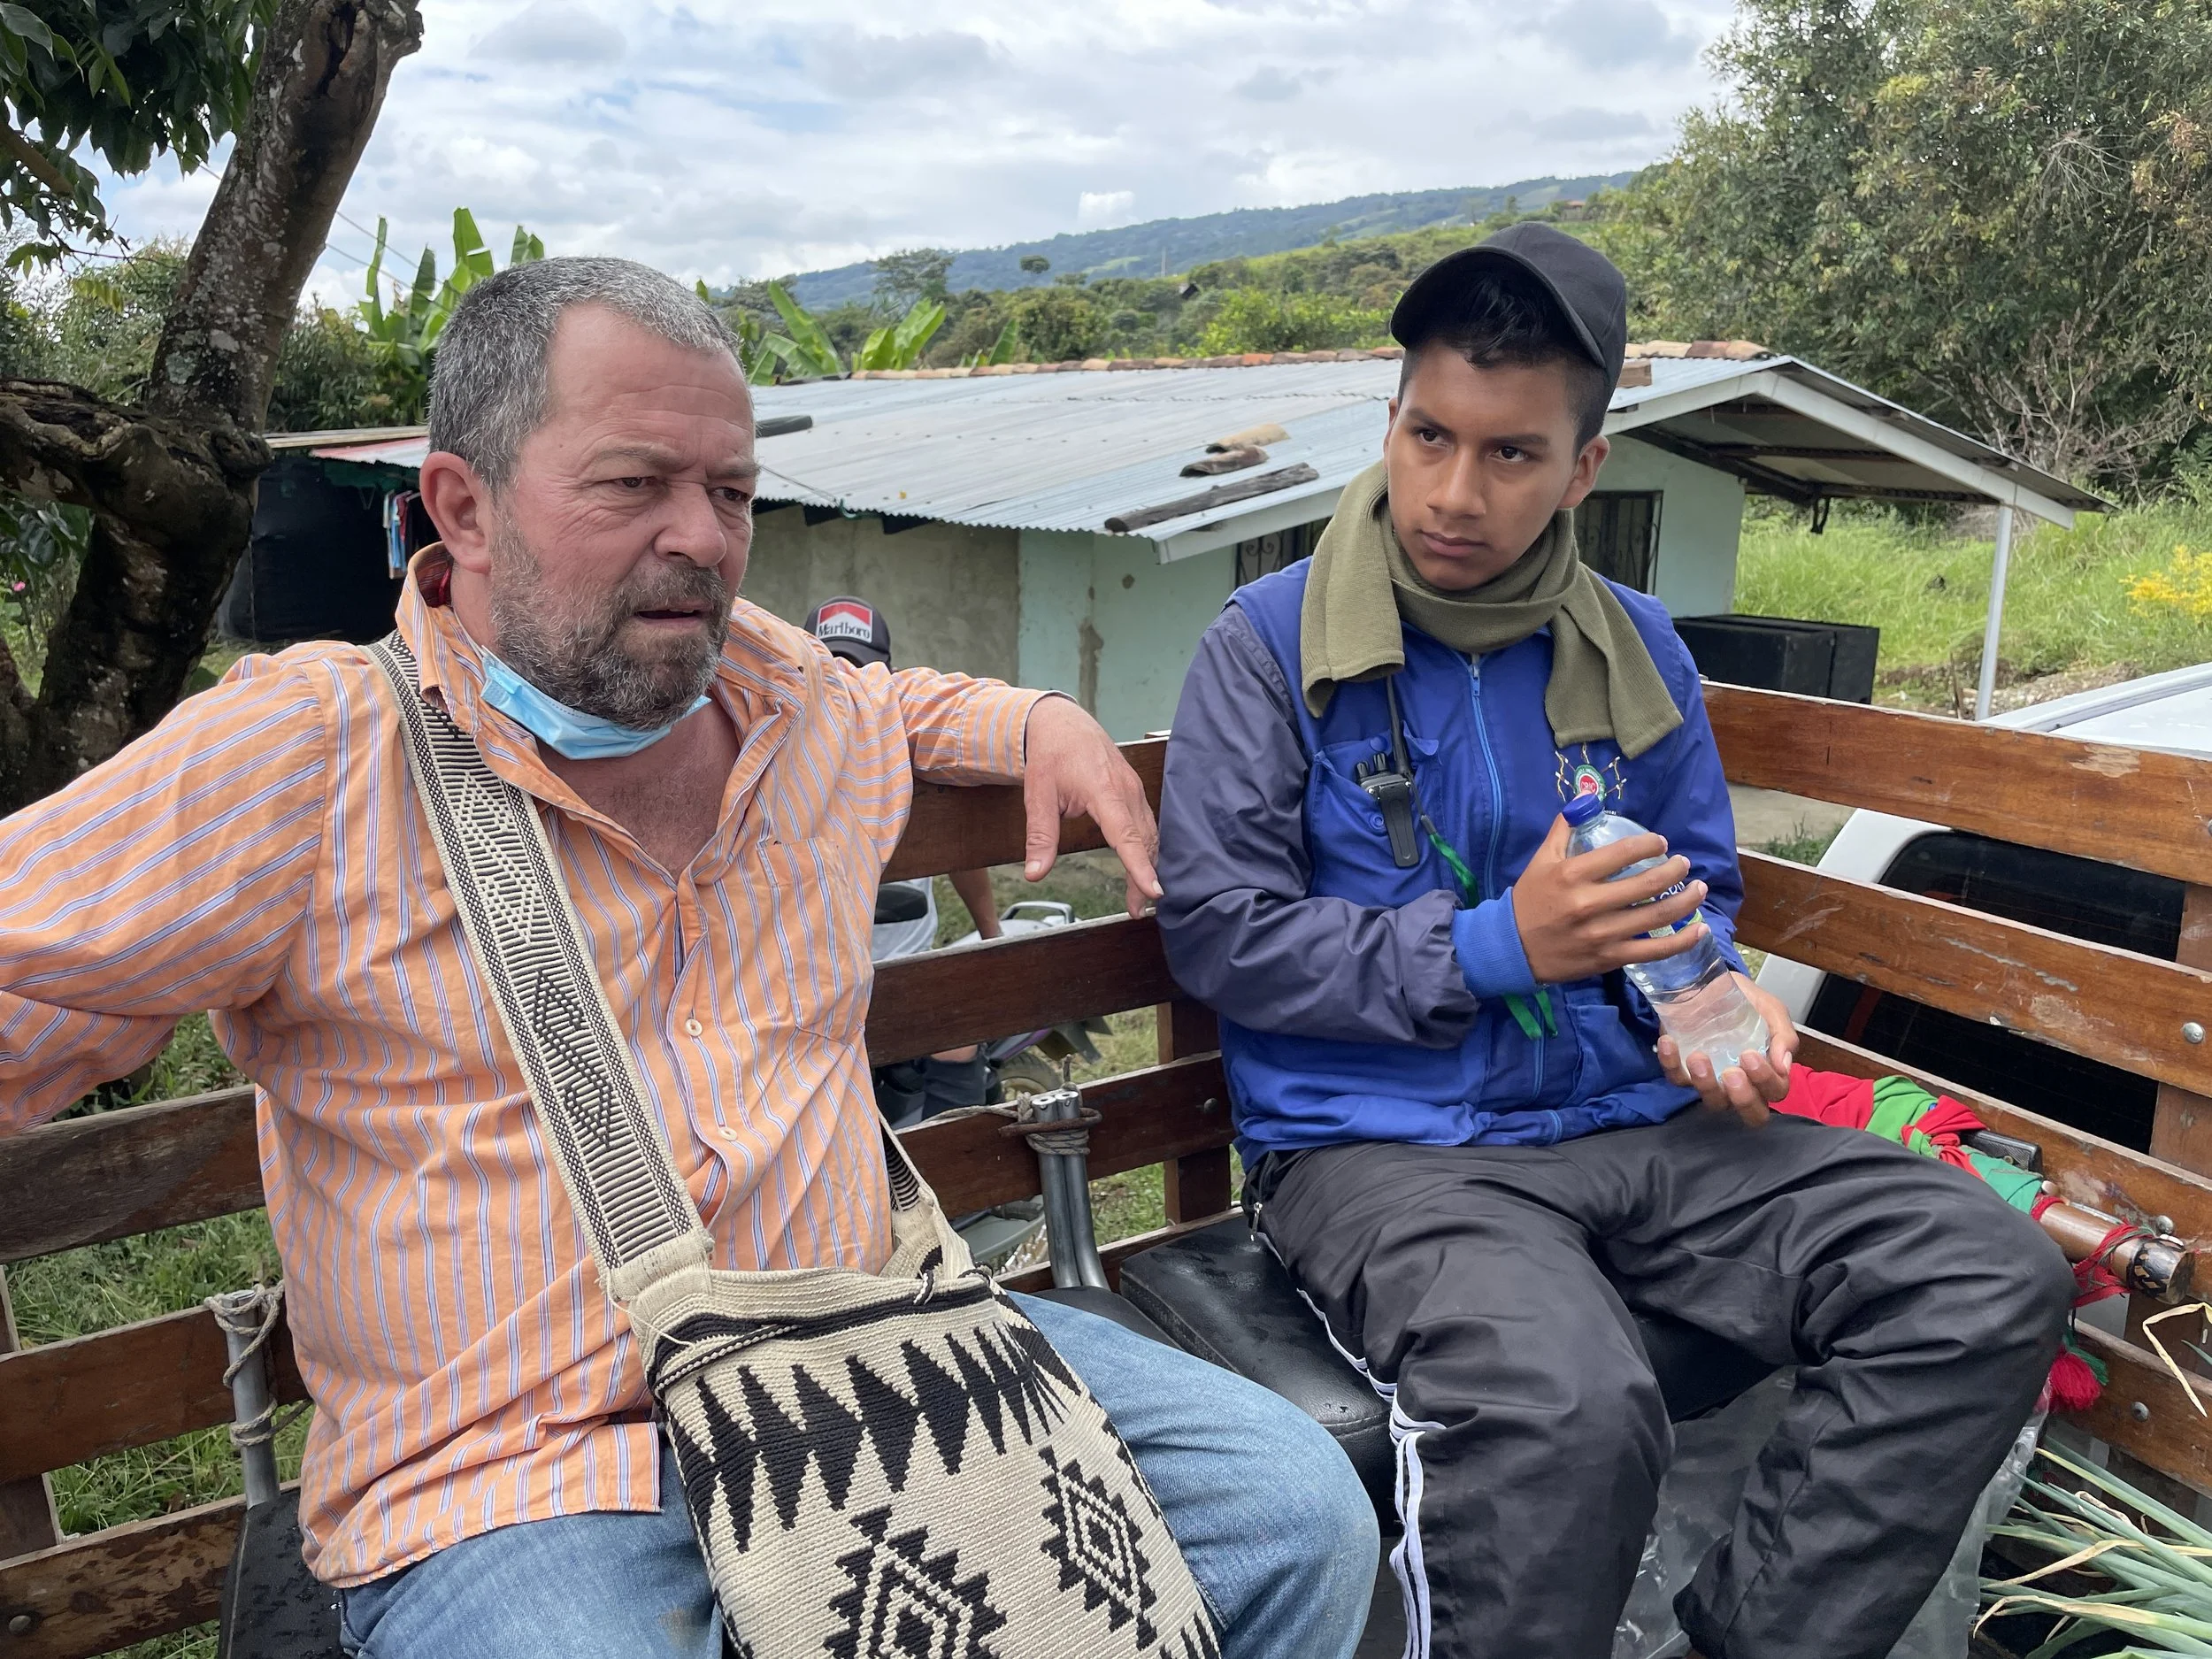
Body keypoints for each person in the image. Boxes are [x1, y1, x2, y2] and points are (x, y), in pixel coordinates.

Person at [0, 257, 1377, 1659]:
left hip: (872, 1356)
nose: (704, 538)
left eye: (731, 491)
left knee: (1289, 1510)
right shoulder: (310, 757)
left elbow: (899, 702)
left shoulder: (796, 707)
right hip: (523, 1468)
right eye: (633, 483)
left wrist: (1033, 722)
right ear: (463, 507)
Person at [1153, 224, 2072, 1659]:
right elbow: (1220, 936)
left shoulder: (1638, 646)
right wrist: (1494, 946)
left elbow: (1692, 896)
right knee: (1566, 1407)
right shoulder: (1269, 645)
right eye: (1430, 435)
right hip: (1384, 1150)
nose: (1454, 492)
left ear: (1583, 469)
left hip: (1641, 1127)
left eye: (1511, 453)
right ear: (1391, 421)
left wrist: (1707, 1002)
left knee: (1984, 1274)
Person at [804, 595, 1006, 1126]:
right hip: (820, 977)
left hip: (908, 963)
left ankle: (957, 1166)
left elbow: (963, 852)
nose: (845, 681)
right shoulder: (787, 756)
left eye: (857, 667)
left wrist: (992, 934)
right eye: (831, 666)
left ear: (885, 674)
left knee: (955, 1035)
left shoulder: (911, 750)